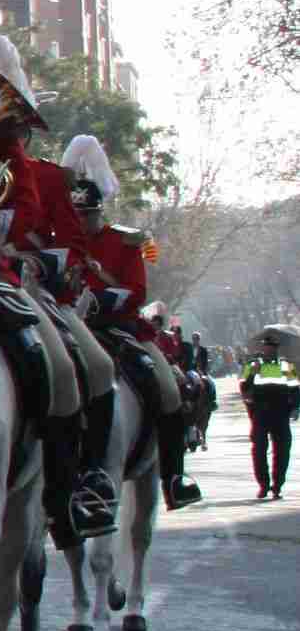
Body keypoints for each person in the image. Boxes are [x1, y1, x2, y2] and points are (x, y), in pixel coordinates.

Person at [0, 24, 120, 543]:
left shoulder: (33, 168)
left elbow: (32, 213)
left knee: (87, 367)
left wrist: (14, 245)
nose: (14, 129)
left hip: (10, 275)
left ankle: (70, 488)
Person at [64, 133, 201, 509]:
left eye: (88, 215)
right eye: (76, 216)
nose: (82, 223)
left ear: (99, 212)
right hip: (71, 324)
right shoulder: (61, 242)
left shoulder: (122, 243)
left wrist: (101, 296)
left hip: (119, 325)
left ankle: (174, 476)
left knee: (168, 387)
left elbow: (136, 292)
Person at [238, 331, 295, 499]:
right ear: (263, 348)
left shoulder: (285, 366)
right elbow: (244, 388)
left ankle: (277, 485)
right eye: (267, 347)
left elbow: (295, 389)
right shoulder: (254, 364)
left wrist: (294, 408)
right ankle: (263, 485)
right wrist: (253, 375)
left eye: (272, 347)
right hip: (261, 413)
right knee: (259, 451)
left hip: (281, 413)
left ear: (277, 349)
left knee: (282, 451)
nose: (269, 350)